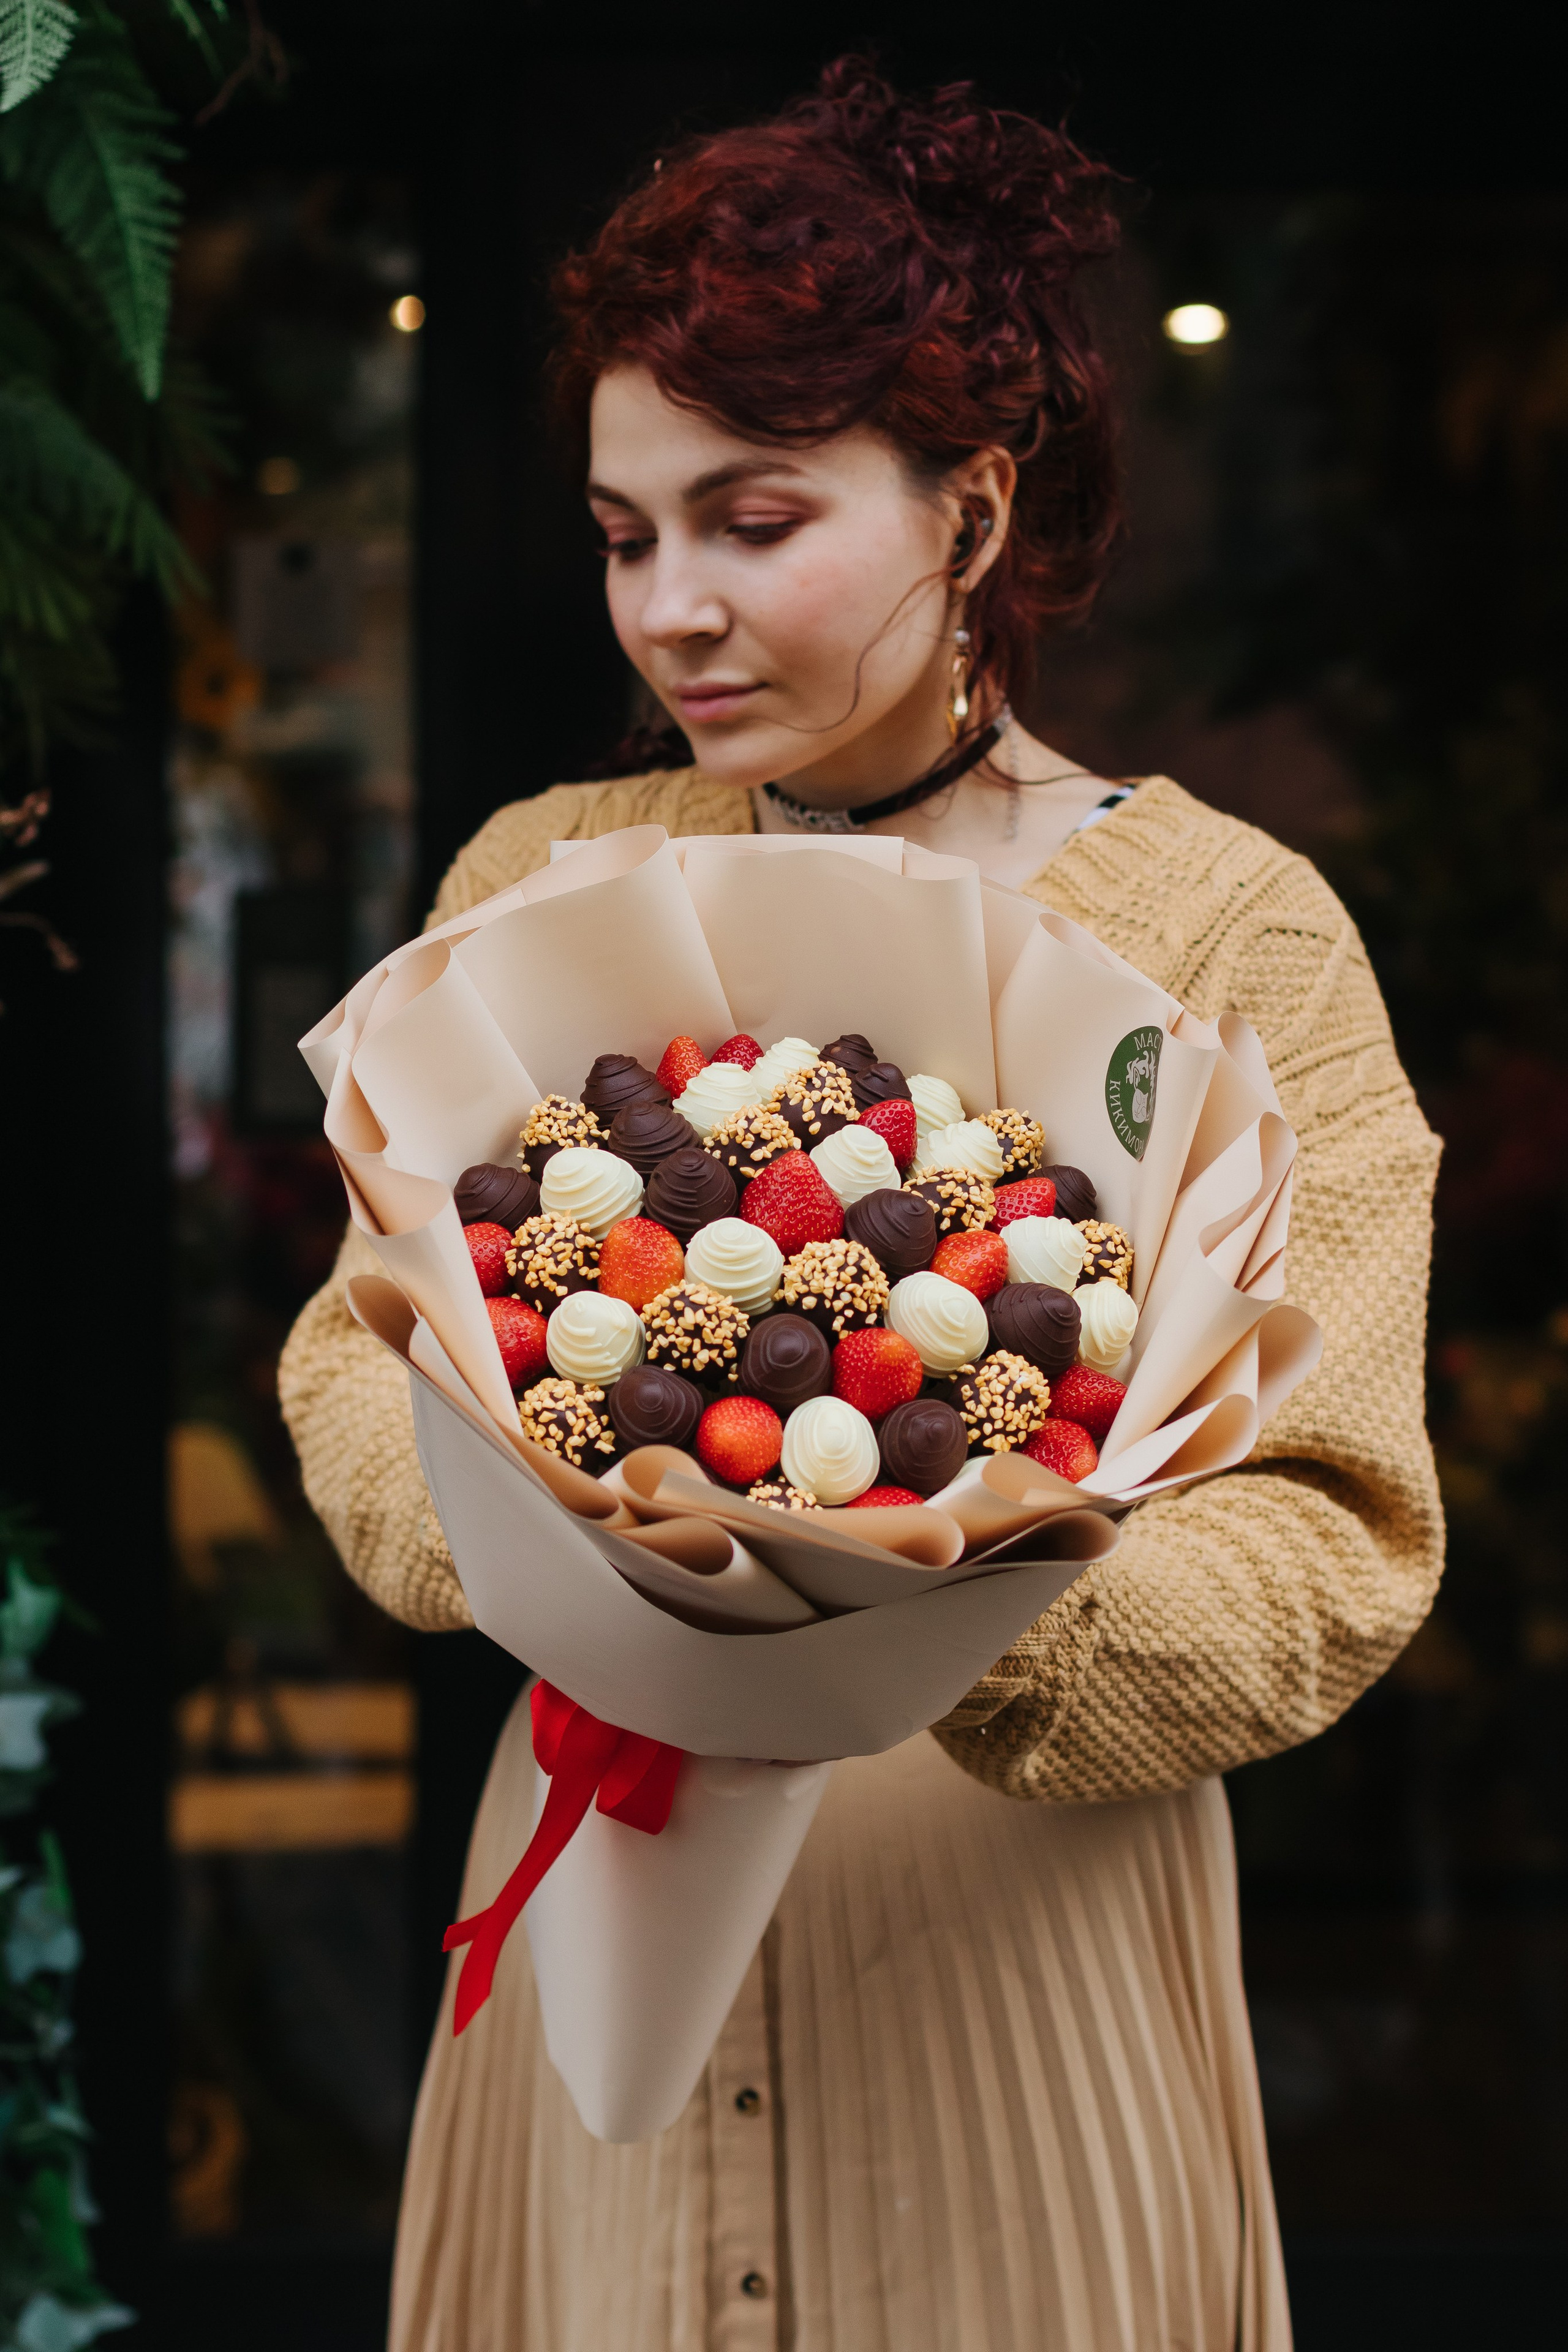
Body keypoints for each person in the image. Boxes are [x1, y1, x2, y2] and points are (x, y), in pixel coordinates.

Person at [279, 60, 1443, 2352]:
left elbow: (1336, 1525)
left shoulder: (1232, 930)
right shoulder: (538, 881)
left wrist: (928, 1611)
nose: (674, 610)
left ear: (972, 514)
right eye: (629, 536)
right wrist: (534, 1531)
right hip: (606, 1909)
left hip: (1009, 1959)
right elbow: (358, 1344)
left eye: (754, 518)